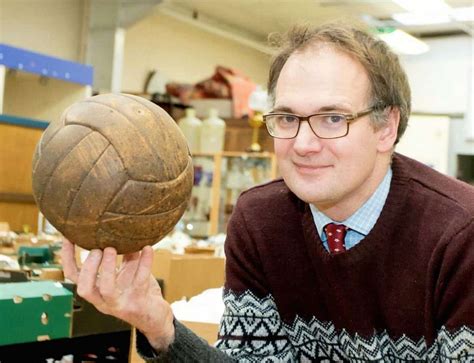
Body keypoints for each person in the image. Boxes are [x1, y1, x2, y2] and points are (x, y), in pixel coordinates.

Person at [61, 21, 474, 362]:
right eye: (288, 117)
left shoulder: (459, 234)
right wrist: (157, 323)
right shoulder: (261, 220)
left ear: (386, 127)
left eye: (332, 118)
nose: (304, 144)